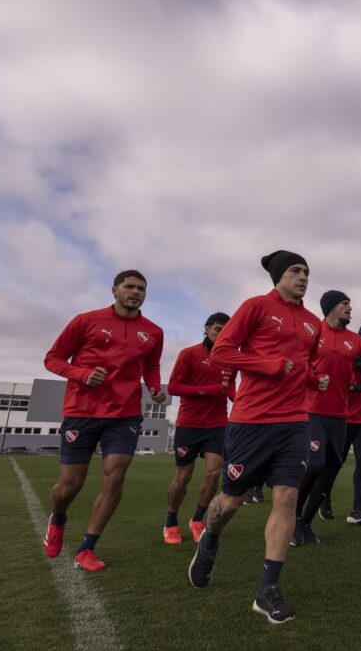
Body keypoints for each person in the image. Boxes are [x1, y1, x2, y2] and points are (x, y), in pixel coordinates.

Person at [187, 250, 322, 625]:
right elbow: (222, 353)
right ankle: (209, 541)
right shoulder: (255, 307)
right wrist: (269, 365)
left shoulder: (314, 322)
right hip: (251, 421)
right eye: (295, 271)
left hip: (295, 421)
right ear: (278, 277)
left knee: (288, 497)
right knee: (229, 504)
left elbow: (305, 364)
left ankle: (268, 589)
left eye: (307, 272)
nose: (303, 277)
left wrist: (314, 378)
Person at [42, 270, 166, 571]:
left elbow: (150, 367)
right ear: (115, 290)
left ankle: (87, 547)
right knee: (70, 486)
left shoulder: (153, 332)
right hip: (81, 412)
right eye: (129, 287)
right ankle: (57, 518)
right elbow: (53, 358)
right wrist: (82, 374)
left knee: (115, 477)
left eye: (141, 289)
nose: (136, 292)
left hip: (125, 415)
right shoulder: (86, 321)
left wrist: (154, 387)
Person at [291, 290, 361, 546]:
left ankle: (305, 524)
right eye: (345, 304)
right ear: (331, 308)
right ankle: (291, 518)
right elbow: (298, 365)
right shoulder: (313, 331)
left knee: (331, 469)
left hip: (340, 415)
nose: (350, 309)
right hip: (311, 411)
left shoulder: (357, 341)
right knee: (315, 463)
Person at [163, 312, 236, 544]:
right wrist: (206, 390)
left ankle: (197, 519)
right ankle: (171, 520)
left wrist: (242, 400)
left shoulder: (231, 358)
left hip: (217, 424)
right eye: (217, 328)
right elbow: (173, 387)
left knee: (214, 472)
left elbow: (230, 386)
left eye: (226, 329)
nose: (221, 333)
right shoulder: (189, 354)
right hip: (189, 424)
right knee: (183, 477)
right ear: (206, 328)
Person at [318, 321, 361, 526]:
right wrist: (356, 389)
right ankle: (323, 498)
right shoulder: (347, 355)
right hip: (345, 417)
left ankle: (357, 510)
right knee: (336, 461)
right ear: (360, 338)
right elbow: (343, 382)